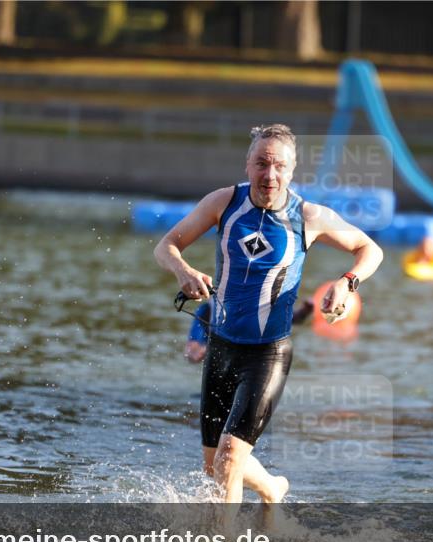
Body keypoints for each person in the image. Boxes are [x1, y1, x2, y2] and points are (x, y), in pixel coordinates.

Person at [154, 123, 384, 504]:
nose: (270, 174)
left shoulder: (309, 217)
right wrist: (184, 271)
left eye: (279, 166)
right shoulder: (223, 203)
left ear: (292, 171)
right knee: (215, 467)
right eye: (261, 163)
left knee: (229, 459)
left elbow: (369, 249)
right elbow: (166, 246)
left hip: (267, 354)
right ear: (247, 165)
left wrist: (346, 283)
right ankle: (272, 488)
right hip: (221, 348)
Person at [184, 298, 315, 363]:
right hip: (222, 361)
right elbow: (192, 351)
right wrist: (201, 352)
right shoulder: (206, 309)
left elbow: (289, 319)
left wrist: (304, 311)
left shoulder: (259, 302)